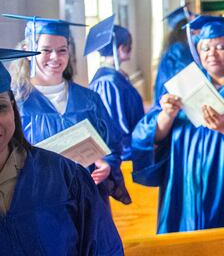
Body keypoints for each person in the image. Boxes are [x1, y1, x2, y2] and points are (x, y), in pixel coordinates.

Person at [131, 15, 224, 233]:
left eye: (221, 47)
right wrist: (167, 115)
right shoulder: (185, 84)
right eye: (205, 48)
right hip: (185, 188)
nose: (211, 53)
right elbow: (144, 137)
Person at [0, 48, 123, 254]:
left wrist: (108, 162)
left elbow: (103, 248)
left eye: (0, 107)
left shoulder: (67, 178)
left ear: (13, 108)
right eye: (47, 50)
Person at [4, 14, 129, 205]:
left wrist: (106, 164)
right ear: (28, 50)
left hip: (87, 202)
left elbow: (113, 145)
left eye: (62, 50)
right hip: (38, 204)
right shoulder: (16, 104)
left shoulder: (89, 100)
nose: (55, 57)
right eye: (46, 50)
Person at [86, 16, 145, 161]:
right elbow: (116, 126)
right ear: (120, 48)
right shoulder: (107, 82)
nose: (130, 51)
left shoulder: (114, 76)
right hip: (123, 155)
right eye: (128, 46)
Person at [154, 6, 193, 104]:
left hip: (167, 87)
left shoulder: (175, 46)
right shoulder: (179, 49)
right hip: (172, 91)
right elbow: (187, 71)